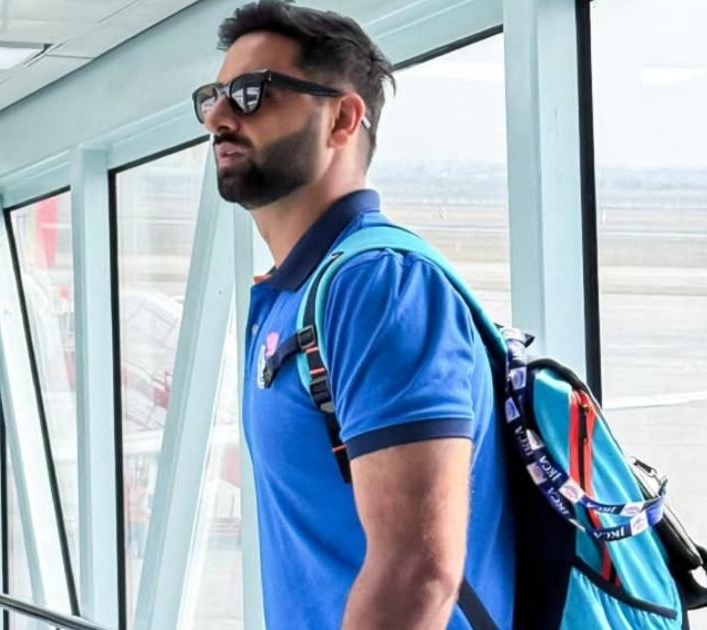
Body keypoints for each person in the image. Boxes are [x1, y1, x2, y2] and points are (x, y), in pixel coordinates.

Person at [194, 1, 515, 628]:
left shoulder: (378, 285)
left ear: (342, 118)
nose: (218, 117)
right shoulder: (296, 293)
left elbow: (417, 573)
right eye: (214, 96)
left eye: (252, 93)